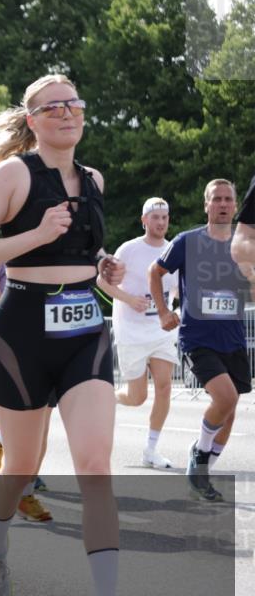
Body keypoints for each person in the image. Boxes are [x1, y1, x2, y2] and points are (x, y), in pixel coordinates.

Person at [0, 74, 139, 596]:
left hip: (86, 329)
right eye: (52, 106)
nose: (67, 112)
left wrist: (101, 265)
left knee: (94, 465)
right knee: (21, 466)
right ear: (31, 120)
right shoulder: (12, 174)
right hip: (22, 333)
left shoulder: (94, 179)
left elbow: (79, 245)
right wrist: (32, 236)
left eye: (74, 104)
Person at [150, 179, 254, 501]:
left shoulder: (244, 246)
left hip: (233, 337)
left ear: (236, 206)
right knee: (225, 398)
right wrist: (164, 311)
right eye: (216, 199)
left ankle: (203, 469)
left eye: (228, 199)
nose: (223, 204)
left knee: (231, 408)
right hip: (197, 336)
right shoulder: (187, 241)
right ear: (206, 205)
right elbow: (156, 272)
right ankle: (198, 456)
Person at [94, 197, 179, 469]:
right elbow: (101, 281)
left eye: (165, 217)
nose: (161, 222)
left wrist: (173, 308)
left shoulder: (173, 250)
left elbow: (178, 288)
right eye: (155, 217)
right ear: (144, 220)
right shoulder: (129, 249)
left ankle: (151, 450)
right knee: (137, 397)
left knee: (165, 387)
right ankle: (105, 397)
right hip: (131, 329)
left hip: (160, 330)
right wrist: (129, 300)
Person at [0, 265, 54, 522]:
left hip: (53, 340)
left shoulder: (59, 239)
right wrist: (14, 305)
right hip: (12, 341)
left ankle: (25, 494)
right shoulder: (0, 246)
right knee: (23, 423)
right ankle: (0, 434)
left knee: (42, 425)